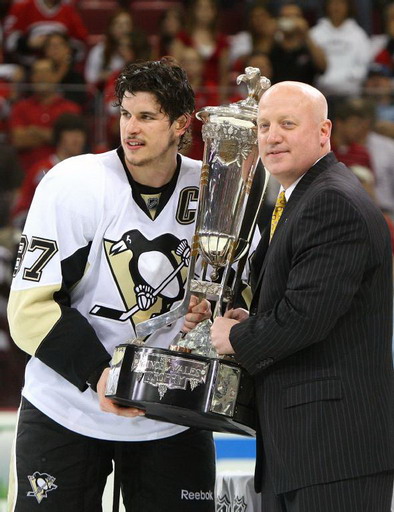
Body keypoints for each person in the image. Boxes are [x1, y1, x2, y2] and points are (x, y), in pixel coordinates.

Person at [7, 58, 216, 512]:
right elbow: (27, 312)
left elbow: (234, 291)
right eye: (125, 114)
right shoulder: (73, 183)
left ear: (181, 123)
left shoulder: (214, 190)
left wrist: (211, 313)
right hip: (68, 404)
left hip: (171, 413)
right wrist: (100, 374)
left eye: (146, 116)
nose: (131, 129)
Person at [211, 81, 394, 511]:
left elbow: (305, 316)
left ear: (324, 131)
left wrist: (235, 339)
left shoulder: (331, 201)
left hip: (334, 449)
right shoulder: (302, 197)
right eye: (263, 125)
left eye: (287, 124)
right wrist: (248, 318)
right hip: (304, 448)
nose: (271, 136)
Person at [12, 112, 88, 228]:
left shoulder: (89, 170)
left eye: (80, 134)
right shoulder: (41, 170)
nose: (77, 139)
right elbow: (21, 210)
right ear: (59, 137)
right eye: (71, 133)